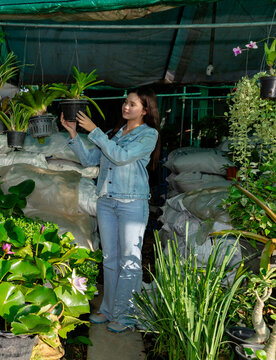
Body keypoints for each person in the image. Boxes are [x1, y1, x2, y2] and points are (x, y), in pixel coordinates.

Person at [61, 87, 160, 333]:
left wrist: (94, 131)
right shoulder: (113, 133)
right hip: (106, 201)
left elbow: (120, 156)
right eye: (125, 103)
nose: (126, 107)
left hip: (131, 204)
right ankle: (108, 309)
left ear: (145, 110)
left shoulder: (148, 135)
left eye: (133, 104)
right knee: (110, 259)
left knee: (129, 261)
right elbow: (90, 160)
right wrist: (74, 135)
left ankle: (126, 315)